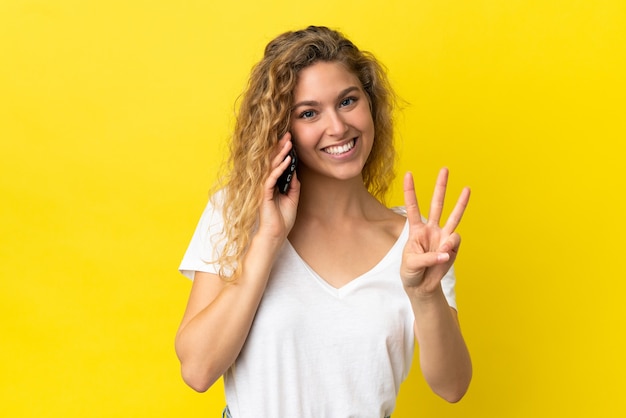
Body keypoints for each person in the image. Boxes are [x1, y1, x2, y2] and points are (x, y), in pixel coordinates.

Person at [175, 25, 472, 418]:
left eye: (348, 101)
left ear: (371, 105)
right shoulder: (236, 215)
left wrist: (425, 294)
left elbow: (452, 386)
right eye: (309, 113)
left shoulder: (416, 244)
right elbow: (197, 370)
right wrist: (267, 239)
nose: (337, 127)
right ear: (283, 129)